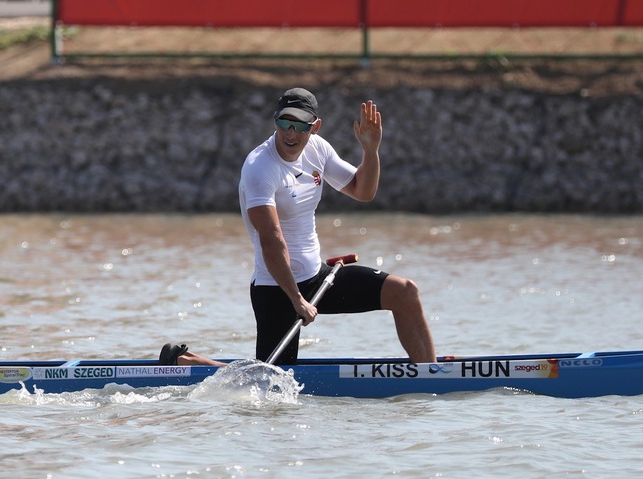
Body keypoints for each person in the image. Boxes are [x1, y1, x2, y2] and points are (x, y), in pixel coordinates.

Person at [162, 88, 437, 367]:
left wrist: (370, 150)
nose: (290, 133)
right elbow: (271, 239)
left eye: (300, 125)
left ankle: (430, 370)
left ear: (314, 127)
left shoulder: (318, 149)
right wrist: (297, 300)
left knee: (405, 292)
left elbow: (362, 191)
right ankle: (186, 360)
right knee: (271, 382)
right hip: (277, 288)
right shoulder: (260, 167)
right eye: (284, 123)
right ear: (275, 122)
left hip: (318, 278)